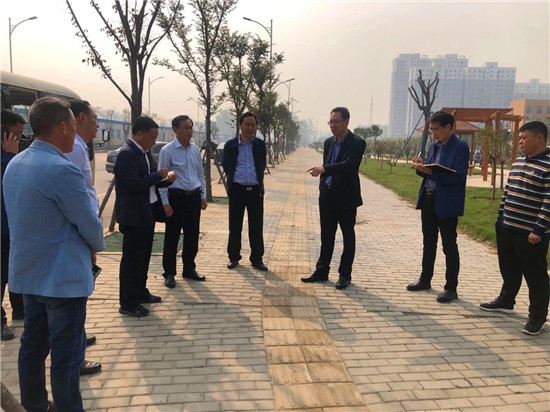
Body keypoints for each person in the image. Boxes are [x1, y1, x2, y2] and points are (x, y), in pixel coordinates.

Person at [3, 97, 104, 412]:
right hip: (63, 280)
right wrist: (97, 243)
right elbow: (89, 225)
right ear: (62, 127)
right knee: (66, 355)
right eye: (73, 125)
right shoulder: (61, 169)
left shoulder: (15, 164)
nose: (75, 132)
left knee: (32, 347)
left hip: (29, 275)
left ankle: (34, 405)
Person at [480, 121, 550, 335]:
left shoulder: (548, 165)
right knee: (508, 267)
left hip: (531, 234)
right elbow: (508, 191)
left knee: (535, 275)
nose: (520, 142)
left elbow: (548, 201)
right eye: (519, 138)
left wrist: (538, 230)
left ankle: (537, 317)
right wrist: (500, 218)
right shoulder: (518, 161)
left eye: (524, 138)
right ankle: (506, 300)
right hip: (507, 227)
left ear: (539, 138)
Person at [115, 116, 175, 317]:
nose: (154, 142)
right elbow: (133, 183)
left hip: (146, 212)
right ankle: (128, 302)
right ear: (139, 134)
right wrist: (158, 175)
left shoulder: (145, 153)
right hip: (133, 215)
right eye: (152, 137)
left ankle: (140, 292)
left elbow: (150, 183)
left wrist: (166, 180)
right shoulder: (127, 154)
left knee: (143, 257)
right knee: (132, 260)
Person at [407, 111, 469, 303]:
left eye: (436, 130)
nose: (434, 134)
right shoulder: (434, 146)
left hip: (446, 203)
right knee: (429, 243)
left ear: (448, 127)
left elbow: (458, 177)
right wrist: (421, 167)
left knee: (449, 246)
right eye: (432, 130)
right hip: (428, 198)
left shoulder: (460, 147)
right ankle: (425, 279)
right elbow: (429, 171)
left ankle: (451, 288)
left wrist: (430, 172)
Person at [302, 107, 366, 290]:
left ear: (347, 121)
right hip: (327, 195)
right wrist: (322, 185)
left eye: (336, 121)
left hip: (346, 197)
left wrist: (324, 169)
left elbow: (349, 165)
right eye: (330, 122)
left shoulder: (357, 142)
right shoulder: (329, 142)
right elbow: (327, 164)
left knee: (347, 236)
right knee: (326, 235)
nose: (332, 125)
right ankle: (321, 271)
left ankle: (345, 275)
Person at [66, 99, 102, 376]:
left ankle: (77, 337)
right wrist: (92, 239)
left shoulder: (78, 146)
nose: (97, 124)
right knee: (76, 296)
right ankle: (74, 355)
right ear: (80, 118)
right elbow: (76, 199)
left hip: (79, 233)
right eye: (94, 117)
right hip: (78, 234)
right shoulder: (75, 149)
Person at [159, 115, 207, 288]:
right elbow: (162, 179)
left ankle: (189, 268)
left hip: (193, 197)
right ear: (175, 129)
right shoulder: (167, 151)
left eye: (190, 127)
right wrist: (165, 203)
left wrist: (202, 196)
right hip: (176, 198)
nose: (189, 131)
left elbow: (200, 175)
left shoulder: (195, 150)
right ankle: (169, 273)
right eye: (185, 127)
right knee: (172, 236)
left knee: (192, 235)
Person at [222, 112, 268, 271]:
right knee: (235, 226)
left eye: (253, 125)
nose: (250, 128)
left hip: (255, 190)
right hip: (237, 189)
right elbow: (226, 165)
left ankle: (257, 259)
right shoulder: (230, 145)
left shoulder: (260, 145)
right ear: (240, 125)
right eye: (247, 124)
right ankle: (233, 257)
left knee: (256, 226)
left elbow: (261, 164)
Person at [1, 109, 26, 340]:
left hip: (11, 225)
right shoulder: (6, 157)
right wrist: (10, 156)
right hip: (2, 226)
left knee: (15, 267)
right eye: (16, 133)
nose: (19, 139)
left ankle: (20, 309)